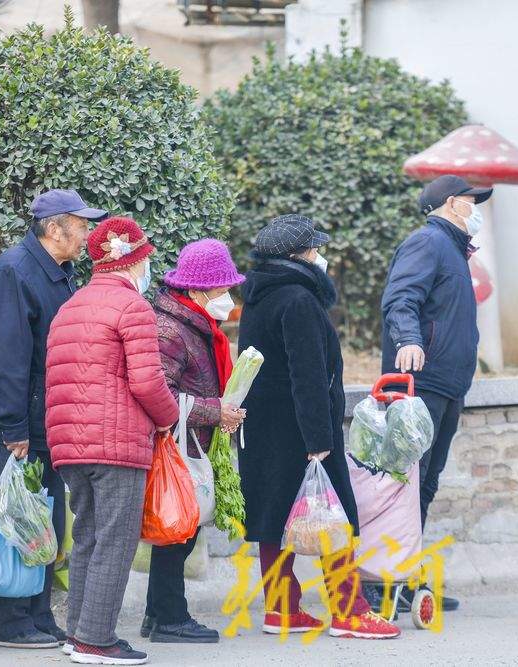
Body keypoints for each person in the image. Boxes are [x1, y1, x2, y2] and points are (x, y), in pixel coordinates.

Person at [238, 214, 401, 640]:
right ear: (299, 256)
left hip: (264, 425)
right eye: (314, 248)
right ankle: (350, 612)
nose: (319, 255)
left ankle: (282, 610)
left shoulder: (259, 296)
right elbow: (307, 374)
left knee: (275, 517)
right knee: (333, 516)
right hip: (300, 428)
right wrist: (318, 440)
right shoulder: (298, 300)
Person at [0, 189, 106, 649]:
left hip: (44, 418)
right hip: (17, 425)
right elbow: (5, 358)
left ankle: (39, 612)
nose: (87, 234)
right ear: (53, 228)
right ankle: (10, 621)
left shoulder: (58, 271)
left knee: (44, 519)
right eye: (81, 225)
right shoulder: (14, 271)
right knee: (16, 520)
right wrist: (13, 428)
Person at [47, 216, 179, 666]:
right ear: (135, 259)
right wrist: (168, 418)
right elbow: (147, 382)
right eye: (146, 261)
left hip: (69, 444)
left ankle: (77, 632)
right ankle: (95, 640)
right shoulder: (133, 308)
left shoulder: (70, 306)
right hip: (117, 444)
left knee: (86, 537)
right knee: (116, 541)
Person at [377, 174, 492, 612]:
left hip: (447, 382)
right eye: (470, 200)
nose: (475, 207)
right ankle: (382, 582)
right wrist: (409, 340)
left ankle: (406, 581)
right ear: (450, 204)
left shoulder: (454, 248)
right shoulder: (428, 242)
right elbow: (400, 299)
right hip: (422, 383)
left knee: (423, 485)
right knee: (403, 484)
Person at [140, 239, 246, 644]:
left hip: (193, 442)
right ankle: (170, 618)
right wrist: (212, 411)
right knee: (177, 531)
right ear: (199, 291)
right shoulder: (170, 329)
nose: (228, 298)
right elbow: (159, 393)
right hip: (177, 445)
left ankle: (158, 615)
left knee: (182, 532)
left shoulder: (197, 325)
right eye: (223, 291)